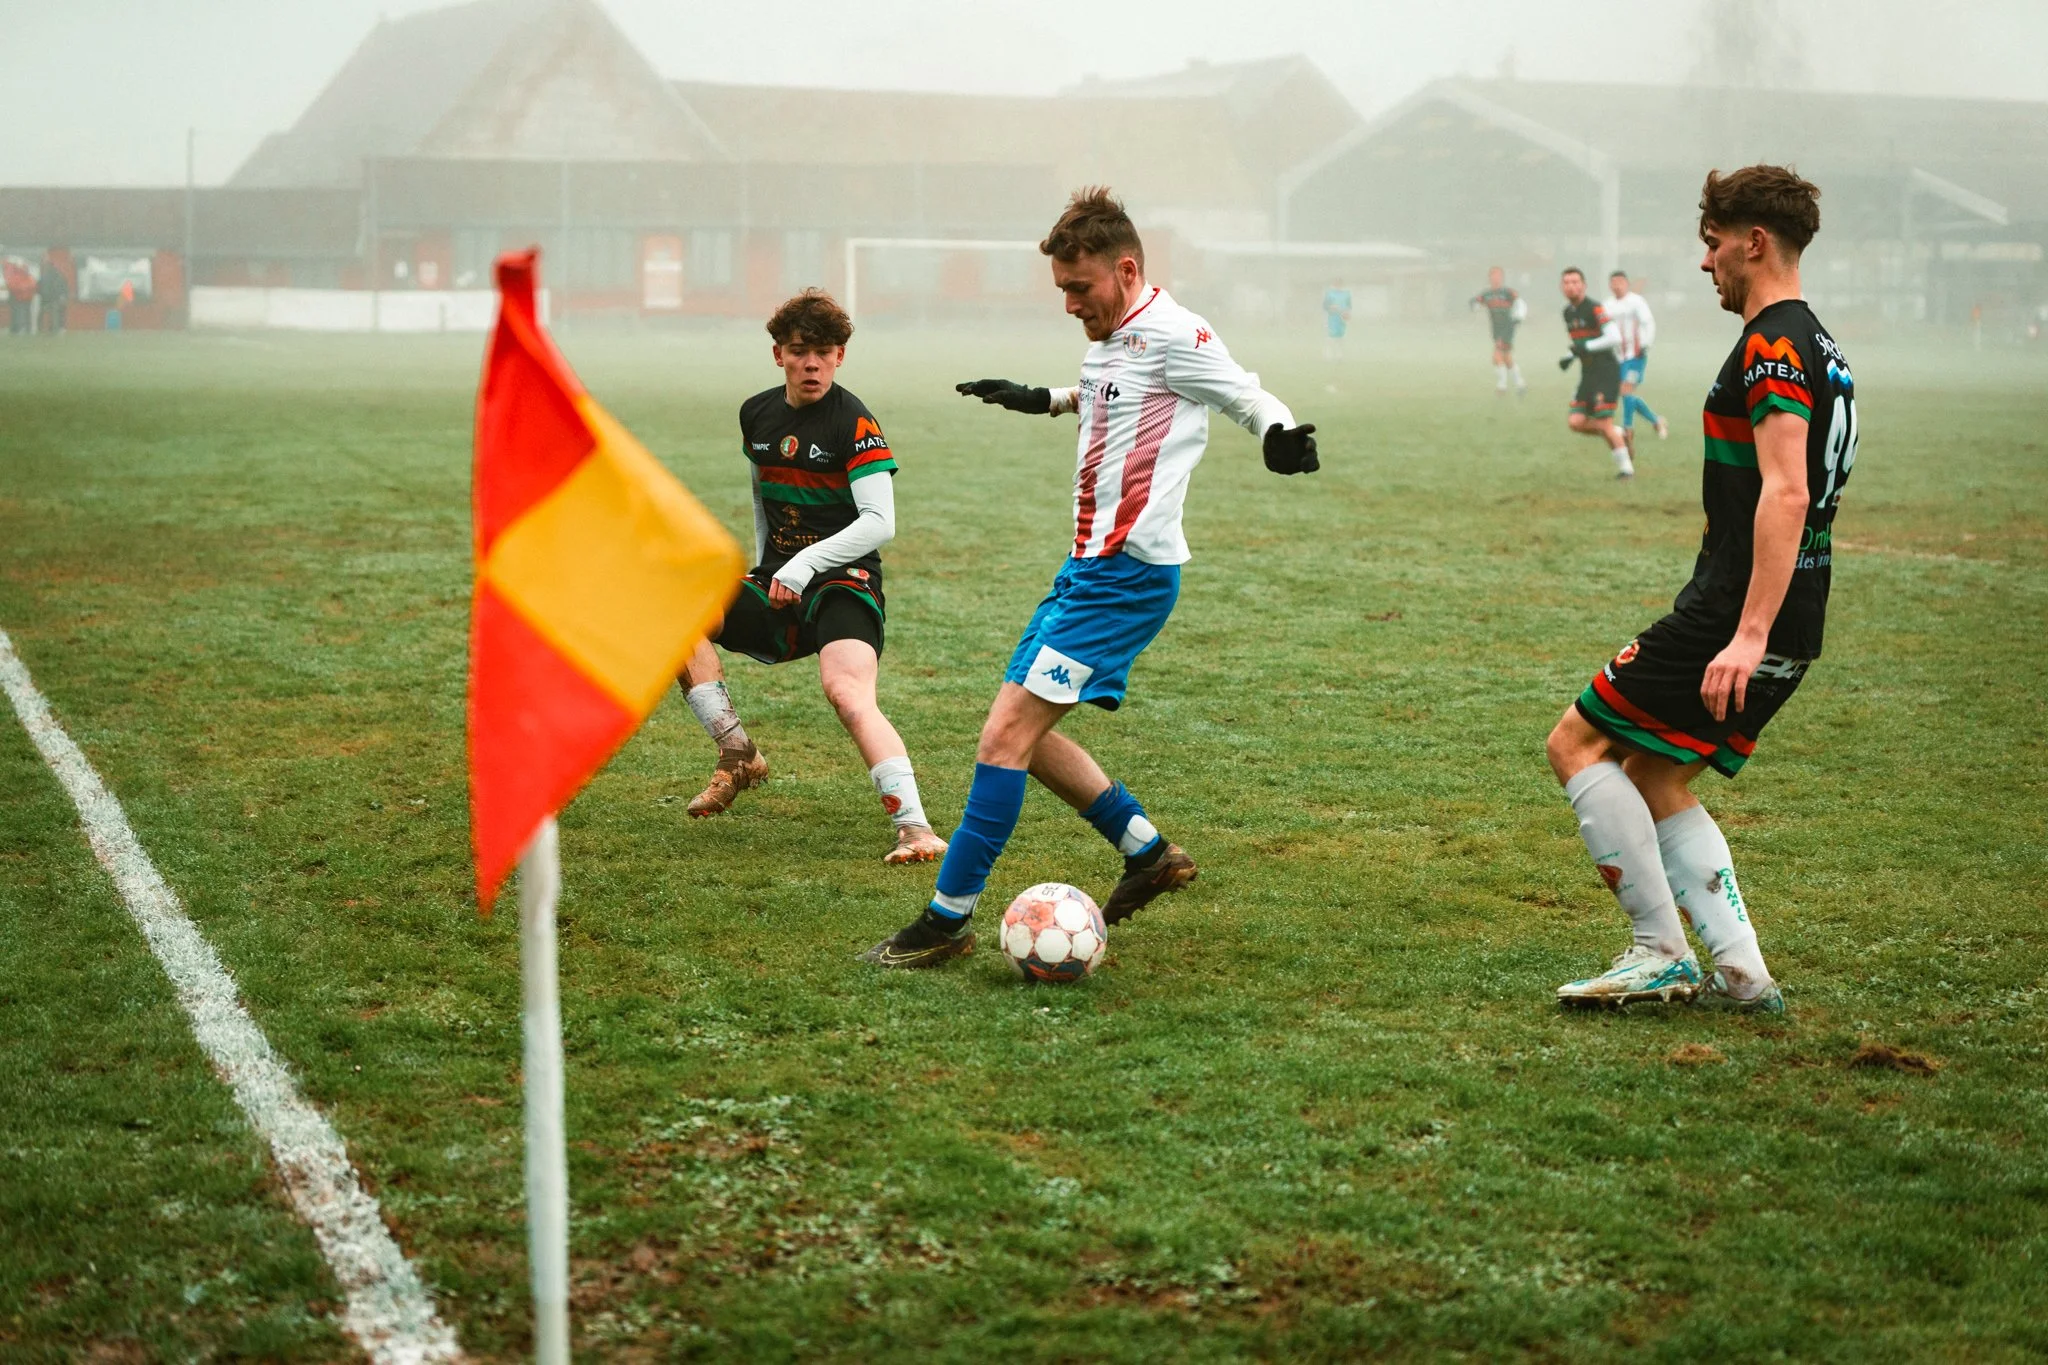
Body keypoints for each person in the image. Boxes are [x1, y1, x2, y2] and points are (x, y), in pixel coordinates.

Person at [860, 186, 1319, 967]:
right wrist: (1041, 398)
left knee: (1003, 735)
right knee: (1029, 740)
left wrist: (1279, 433)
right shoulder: (1115, 333)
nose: (1071, 304)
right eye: (1063, 290)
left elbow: (1243, 391)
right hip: (1085, 569)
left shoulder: (1176, 332)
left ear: (1126, 269)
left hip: (1126, 579)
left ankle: (945, 920)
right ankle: (1148, 853)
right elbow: (1112, 397)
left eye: (1080, 288)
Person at [1543, 165, 1852, 1013]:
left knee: (1576, 743)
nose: (1706, 262)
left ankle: (1658, 951)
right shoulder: (1820, 343)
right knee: (1652, 770)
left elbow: (1787, 491)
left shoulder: (1774, 346)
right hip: (1798, 608)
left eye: (1714, 244)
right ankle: (1745, 977)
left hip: (1737, 611)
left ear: (1754, 242)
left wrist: (1746, 634)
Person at [674, 288, 949, 866]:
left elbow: (881, 523)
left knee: (847, 694)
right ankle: (738, 754)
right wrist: (766, 563)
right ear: (779, 354)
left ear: (841, 356)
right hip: (778, 577)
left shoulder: (855, 421)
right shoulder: (757, 412)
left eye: (825, 351)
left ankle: (916, 829)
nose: (812, 363)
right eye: (800, 351)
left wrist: (803, 566)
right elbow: (761, 497)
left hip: (844, 581)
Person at [1557, 268, 1633, 479]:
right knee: (1576, 422)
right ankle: (1620, 434)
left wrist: (1585, 348)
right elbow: (1579, 342)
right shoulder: (1568, 313)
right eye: (1566, 282)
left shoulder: (1594, 308)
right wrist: (1569, 356)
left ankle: (1626, 470)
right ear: (1562, 287)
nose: (1571, 286)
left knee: (1603, 422)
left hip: (1606, 372)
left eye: (1575, 282)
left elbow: (1614, 337)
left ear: (1583, 285)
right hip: (1588, 373)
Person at [1606, 271, 1667, 452]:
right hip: (1617, 357)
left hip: (1635, 355)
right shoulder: (1607, 305)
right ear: (1610, 285)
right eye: (1614, 282)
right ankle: (1657, 421)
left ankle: (1627, 430)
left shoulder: (1636, 302)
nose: (1617, 285)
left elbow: (1648, 323)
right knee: (1627, 394)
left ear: (1627, 283)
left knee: (1626, 390)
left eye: (1620, 282)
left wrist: (1646, 344)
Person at [1470, 267, 1527, 396]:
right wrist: (1474, 305)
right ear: (1489, 278)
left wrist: (1519, 317)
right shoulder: (1487, 294)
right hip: (1496, 328)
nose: (1495, 279)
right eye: (1493, 276)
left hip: (1508, 327)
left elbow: (1520, 303)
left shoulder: (1508, 292)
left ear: (1502, 278)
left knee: (1497, 356)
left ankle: (1502, 387)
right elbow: (1476, 302)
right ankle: (1520, 384)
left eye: (1498, 276)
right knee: (1506, 359)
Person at [1321, 279, 1352, 362]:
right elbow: (1325, 305)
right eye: (1336, 284)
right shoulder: (1329, 293)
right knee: (1331, 336)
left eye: (1340, 284)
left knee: (1341, 336)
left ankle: (1339, 355)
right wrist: (1331, 307)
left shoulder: (1346, 293)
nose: (1338, 286)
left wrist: (1347, 313)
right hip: (1332, 317)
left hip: (1342, 317)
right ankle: (1328, 354)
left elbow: (1349, 305)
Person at [37, 251, 67, 334]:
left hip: (49, 299)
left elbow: (41, 287)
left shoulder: (46, 276)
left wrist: (41, 294)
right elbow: (64, 287)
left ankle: (45, 329)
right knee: (54, 315)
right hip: (51, 298)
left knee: (49, 315)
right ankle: (53, 329)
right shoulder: (58, 275)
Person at [4, 258, 34, 335]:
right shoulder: (19, 276)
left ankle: (24, 329)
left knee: (22, 314)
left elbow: (32, 285)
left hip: (24, 299)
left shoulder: (25, 277)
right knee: (18, 315)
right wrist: (22, 288)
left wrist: (22, 288)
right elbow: (12, 285)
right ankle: (19, 329)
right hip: (19, 298)